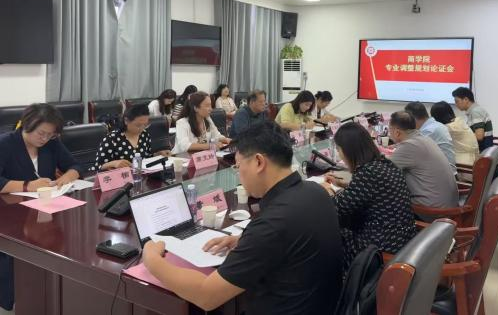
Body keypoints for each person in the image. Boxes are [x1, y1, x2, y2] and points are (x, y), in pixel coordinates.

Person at [142, 122, 343, 314]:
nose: (239, 175)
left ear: (258, 162)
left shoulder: (273, 224)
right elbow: (293, 239)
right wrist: (244, 240)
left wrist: (152, 261)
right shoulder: (315, 191)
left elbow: (206, 295)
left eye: (238, 167)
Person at [0, 103, 83, 312]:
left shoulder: (52, 144)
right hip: (10, 215)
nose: (45, 139)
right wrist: (27, 185)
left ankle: (48, 294)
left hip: (42, 211)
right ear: (27, 124)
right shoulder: (5, 143)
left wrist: (67, 176)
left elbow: (75, 165)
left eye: (50, 135)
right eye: (41, 133)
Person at [320, 123, 416, 269]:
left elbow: (336, 208)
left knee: (328, 231)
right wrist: (342, 184)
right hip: (402, 235)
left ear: (348, 150)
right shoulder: (383, 164)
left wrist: (328, 190)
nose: (339, 155)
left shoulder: (367, 173)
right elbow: (371, 192)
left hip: (382, 244)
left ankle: (341, 279)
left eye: (339, 150)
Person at [388, 111, 458, 209]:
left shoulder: (409, 146)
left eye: (389, 130)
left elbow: (384, 170)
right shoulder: (425, 139)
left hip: (433, 209)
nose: (389, 134)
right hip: (448, 203)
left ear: (397, 132)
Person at [94, 104, 170, 171]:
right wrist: (114, 163)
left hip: (141, 176)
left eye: (145, 125)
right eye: (138, 125)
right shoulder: (112, 139)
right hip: (121, 179)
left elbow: (146, 157)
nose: (142, 128)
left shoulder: (144, 135)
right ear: (126, 121)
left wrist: (158, 154)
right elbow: (97, 166)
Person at [404, 101, 456, 175]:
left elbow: (410, 152)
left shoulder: (428, 131)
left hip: (442, 175)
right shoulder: (436, 125)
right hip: (446, 172)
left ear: (413, 119)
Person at [431, 101, 480, 166]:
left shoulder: (447, 128)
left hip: (463, 166)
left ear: (437, 117)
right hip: (474, 161)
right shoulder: (459, 121)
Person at [452, 87, 494, 152]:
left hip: (481, 151)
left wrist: (461, 135)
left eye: (457, 101)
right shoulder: (475, 110)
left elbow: (479, 137)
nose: (456, 104)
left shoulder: (476, 112)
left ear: (466, 99)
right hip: (480, 149)